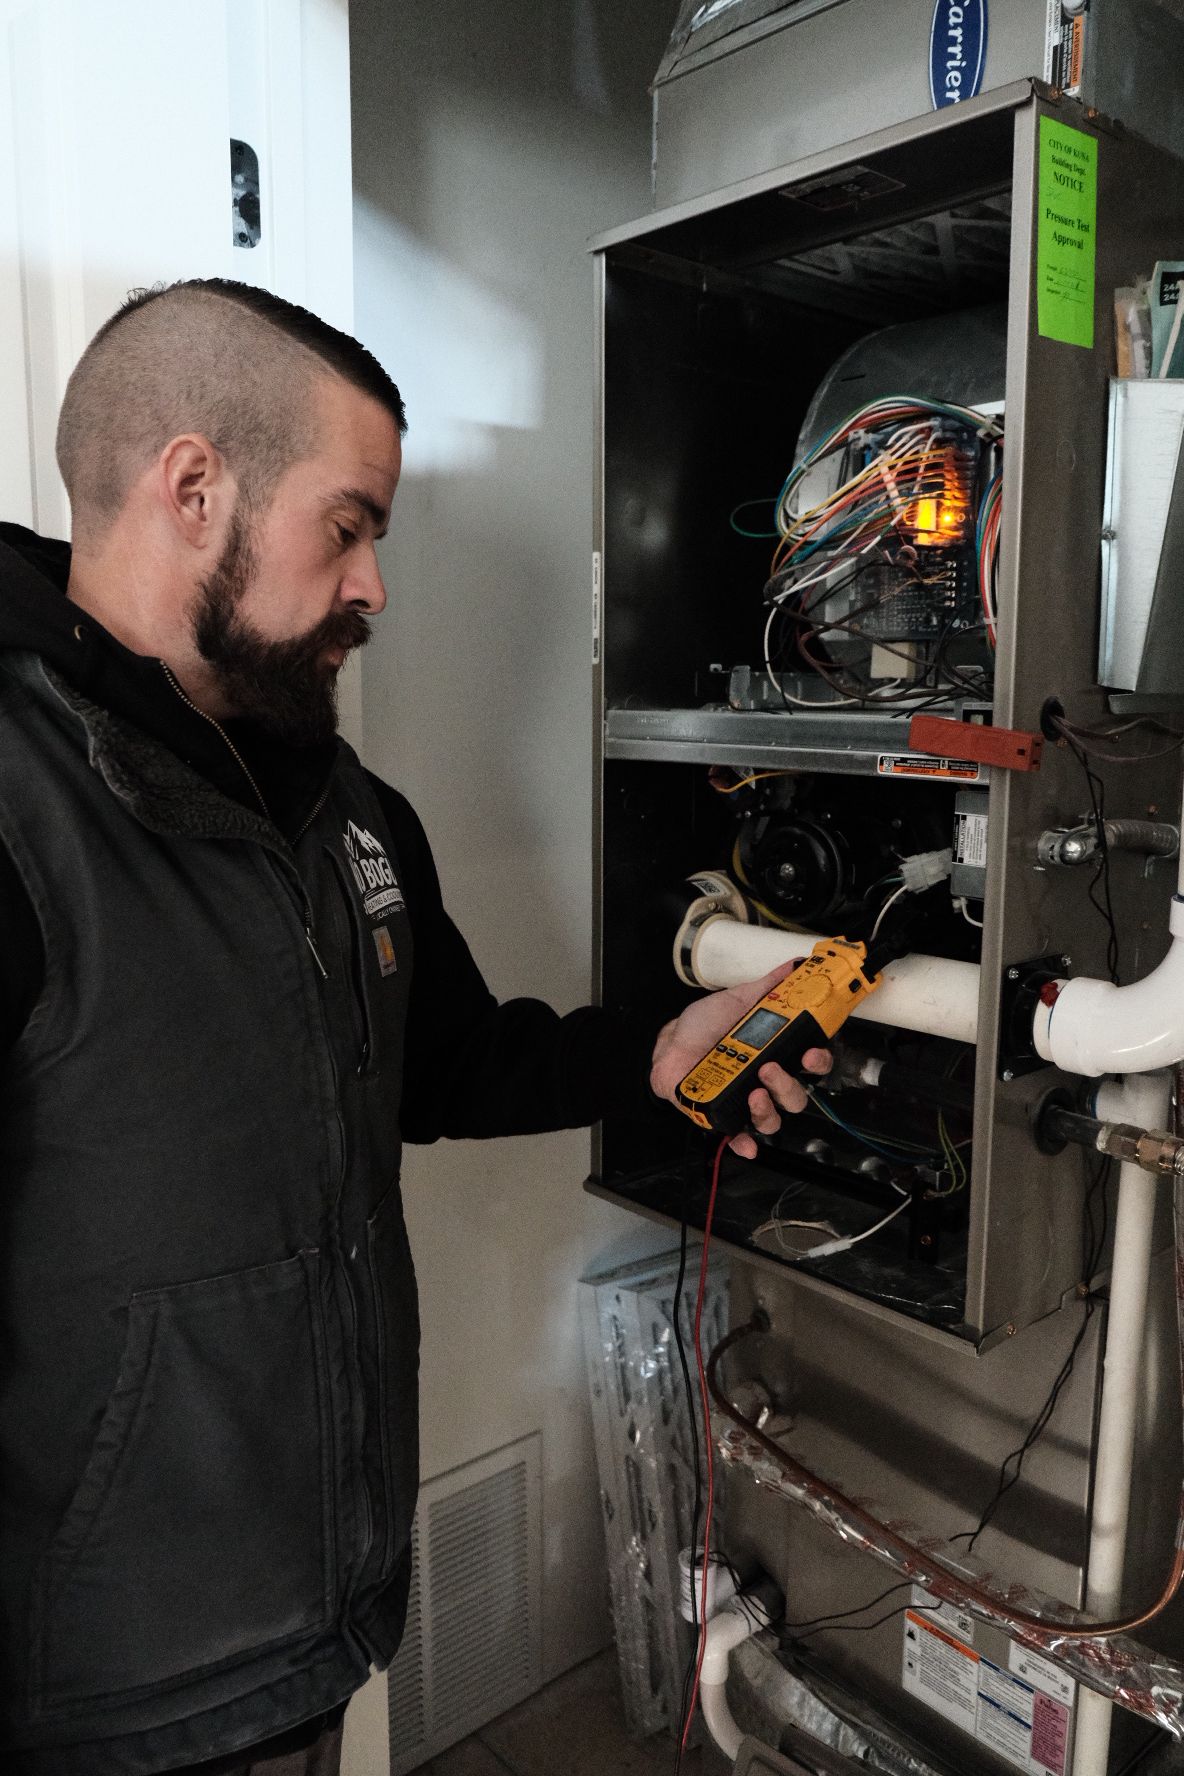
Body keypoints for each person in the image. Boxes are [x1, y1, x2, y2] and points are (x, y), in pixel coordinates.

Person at [0, 280, 822, 1776]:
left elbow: (442, 1060)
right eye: (352, 524)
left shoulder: (348, 814)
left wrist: (649, 1055)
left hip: (315, 1624)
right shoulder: (19, 801)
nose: (376, 585)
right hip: (99, 1695)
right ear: (195, 489)